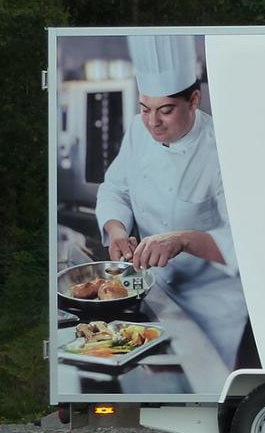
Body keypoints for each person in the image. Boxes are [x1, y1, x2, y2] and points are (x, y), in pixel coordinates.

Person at [96, 35, 250, 367]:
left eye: (165, 110)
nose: (153, 122)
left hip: (210, 308)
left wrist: (182, 240)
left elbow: (245, 242)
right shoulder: (138, 130)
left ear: (194, 100)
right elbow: (115, 189)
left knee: (202, 381)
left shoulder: (222, 150)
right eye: (145, 109)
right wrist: (117, 231)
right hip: (155, 291)